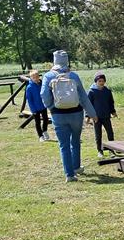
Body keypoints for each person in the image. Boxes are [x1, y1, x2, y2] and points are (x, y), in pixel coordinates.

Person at [40, 50, 97, 182]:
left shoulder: (48, 76)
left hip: (58, 114)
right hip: (76, 113)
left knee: (64, 145)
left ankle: (69, 175)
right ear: (66, 61)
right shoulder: (74, 76)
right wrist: (92, 114)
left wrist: (51, 107)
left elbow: (44, 95)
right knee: (75, 141)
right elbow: (83, 97)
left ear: (54, 60)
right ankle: (76, 167)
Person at [87, 72, 117, 157]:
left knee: (110, 133)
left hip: (106, 116)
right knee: (98, 134)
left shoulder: (107, 91)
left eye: (103, 81)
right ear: (96, 81)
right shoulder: (92, 92)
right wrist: (88, 116)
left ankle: (111, 150)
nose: (101, 83)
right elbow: (88, 105)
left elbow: (111, 103)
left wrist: (113, 112)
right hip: (96, 117)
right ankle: (100, 151)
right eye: (99, 81)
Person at [25, 70, 52, 142]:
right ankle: (40, 136)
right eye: (33, 77)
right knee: (38, 122)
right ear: (31, 78)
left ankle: (45, 131)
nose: (36, 78)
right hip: (35, 108)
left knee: (45, 119)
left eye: (37, 77)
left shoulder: (42, 84)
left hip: (43, 106)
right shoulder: (29, 87)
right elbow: (29, 100)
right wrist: (33, 110)